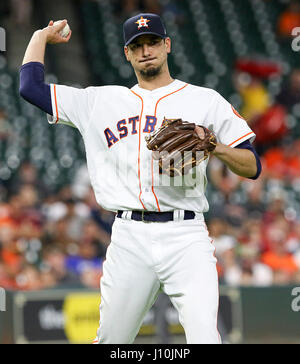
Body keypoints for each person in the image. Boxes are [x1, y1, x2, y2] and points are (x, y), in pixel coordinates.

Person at [19, 13, 261, 344]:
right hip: (129, 235)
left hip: (186, 234)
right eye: (137, 45)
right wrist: (39, 37)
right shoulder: (99, 102)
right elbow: (30, 87)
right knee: (111, 341)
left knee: (206, 338)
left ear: (167, 45)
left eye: (152, 42)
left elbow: (252, 165)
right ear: (127, 53)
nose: (146, 50)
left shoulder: (206, 101)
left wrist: (215, 146)